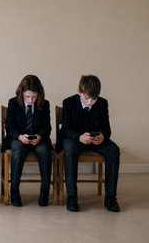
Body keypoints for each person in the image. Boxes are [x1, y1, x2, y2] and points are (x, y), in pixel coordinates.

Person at [60, 75, 120, 212]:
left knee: (114, 150)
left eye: (94, 99)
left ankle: (111, 198)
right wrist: (79, 137)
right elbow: (65, 129)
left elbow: (106, 127)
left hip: (94, 139)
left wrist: (103, 136)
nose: (90, 102)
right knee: (69, 151)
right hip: (74, 139)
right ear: (79, 91)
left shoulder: (103, 103)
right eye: (86, 98)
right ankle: (72, 197)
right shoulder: (68, 102)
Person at [2, 75, 52, 207]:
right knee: (18, 150)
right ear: (21, 93)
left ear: (39, 94)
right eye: (27, 96)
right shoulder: (13, 103)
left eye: (34, 97)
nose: (30, 100)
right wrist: (19, 136)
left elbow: (47, 127)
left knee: (45, 151)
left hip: (38, 140)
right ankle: (14, 190)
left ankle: (45, 190)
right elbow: (9, 126)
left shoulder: (44, 104)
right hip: (18, 138)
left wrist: (40, 136)